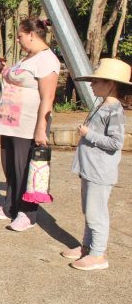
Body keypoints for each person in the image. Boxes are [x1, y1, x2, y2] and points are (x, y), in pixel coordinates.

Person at [0, 18, 60, 231]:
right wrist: (4, 70)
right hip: (9, 123)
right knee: (10, 166)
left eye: (20, 36)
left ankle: (27, 213)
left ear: (32, 35)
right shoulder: (27, 59)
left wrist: (40, 127)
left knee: (24, 168)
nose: (17, 40)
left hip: (26, 124)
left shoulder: (47, 60)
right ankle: (10, 207)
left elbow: (48, 96)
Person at [61, 58, 130, 271]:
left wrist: (88, 134)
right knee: (89, 210)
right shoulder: (103, 106)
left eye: (96, 81)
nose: (91, 84)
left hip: (100, 171)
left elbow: (116, 143)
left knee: (96, 213)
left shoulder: (114, 111)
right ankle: (87, 247)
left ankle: (98, 254)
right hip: (90, 168)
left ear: (110, 84)